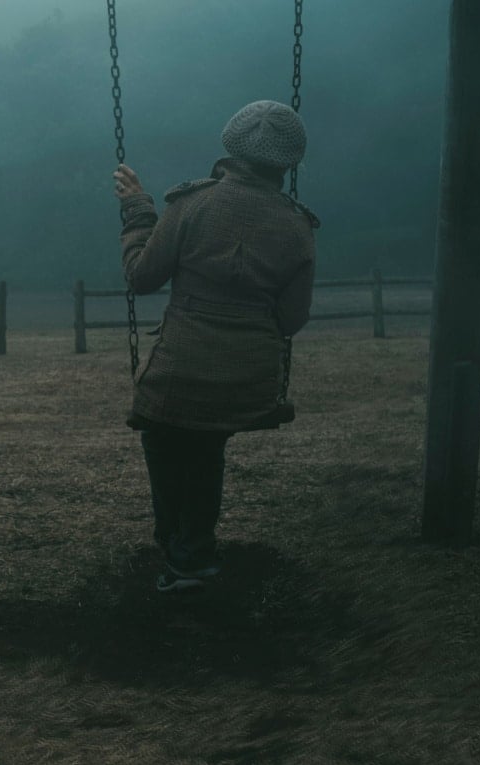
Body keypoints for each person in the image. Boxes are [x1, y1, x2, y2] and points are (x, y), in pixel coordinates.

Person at [112, 99, 318, 593]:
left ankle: (181, 548)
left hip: (179, 372)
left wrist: (138, 209)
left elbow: (142, 278)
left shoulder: (192, 204)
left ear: (231, 146)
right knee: (206, 447)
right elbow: (291, 319)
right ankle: (190, 551)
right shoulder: (297, 226)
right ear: (287, 162)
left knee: (164, 437)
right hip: (246, 380)